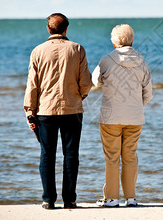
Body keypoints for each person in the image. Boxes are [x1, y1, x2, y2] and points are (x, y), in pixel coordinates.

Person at [24, 13, 92, 210]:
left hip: (46, 110)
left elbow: (32, 85)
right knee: (71, 155)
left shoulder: (37, 51)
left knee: (47, 154)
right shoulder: (77, 49)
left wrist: (30, 111)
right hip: (72, 109)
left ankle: (48, 200)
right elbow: (86, 82)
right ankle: (70, 200)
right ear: (66, 29)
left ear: (48, 29)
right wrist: (80, 95)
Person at [92, 24, 153, 207]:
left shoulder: (107, 60)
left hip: (110, 118)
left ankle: (111, 198)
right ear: (132, 41)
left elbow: (94, 81)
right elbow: (148, 93)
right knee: (130, 156)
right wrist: (135, 106)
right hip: (134, 117)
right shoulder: (142, 61)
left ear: (114, 43)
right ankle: (131, 198)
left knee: (111, 157)